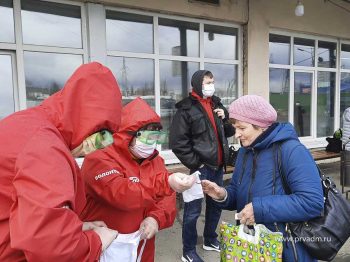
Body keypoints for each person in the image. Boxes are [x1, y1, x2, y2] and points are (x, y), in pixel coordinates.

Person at [0, 62, 122, 261]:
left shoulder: (27, 124)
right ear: (86, 116)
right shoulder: (45, 148)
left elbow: (26, 211)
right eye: (102, 134)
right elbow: (52, 248)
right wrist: (96, 241)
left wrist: (77, 227)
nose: (102, 145)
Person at [202, 95, 324, 262]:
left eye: (242, 128)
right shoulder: (246, 151)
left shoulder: (292, 151)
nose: (236, 134)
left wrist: (259, 209)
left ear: (261, 127)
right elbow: (239, 191)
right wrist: (223, 194)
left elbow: (312, 202)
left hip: (286, 250)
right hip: (252, 247)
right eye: (235, 127)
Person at [80, 97, 195, 262]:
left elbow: (166, 198)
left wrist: (155, 218)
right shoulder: (99, 159)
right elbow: (121, 194)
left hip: (141, 246)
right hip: (103, 246)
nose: (152, 144)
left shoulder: (156, 162)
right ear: (129, 134)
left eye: (157, 138)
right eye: (149, 137)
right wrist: (166, 182)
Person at [169, 70, 234, 262]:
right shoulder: (186, 109)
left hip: (218, 166)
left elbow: (229, 131)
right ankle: (188, 251)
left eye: (212, 82)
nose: (211, 86)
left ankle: (210, 239)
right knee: (193, 211)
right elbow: (178, 142)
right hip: (201, 168)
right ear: (197, 84)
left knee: (215, 206)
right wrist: (196, 163)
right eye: (207, 82)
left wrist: (225, 117)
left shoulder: (216, 104)